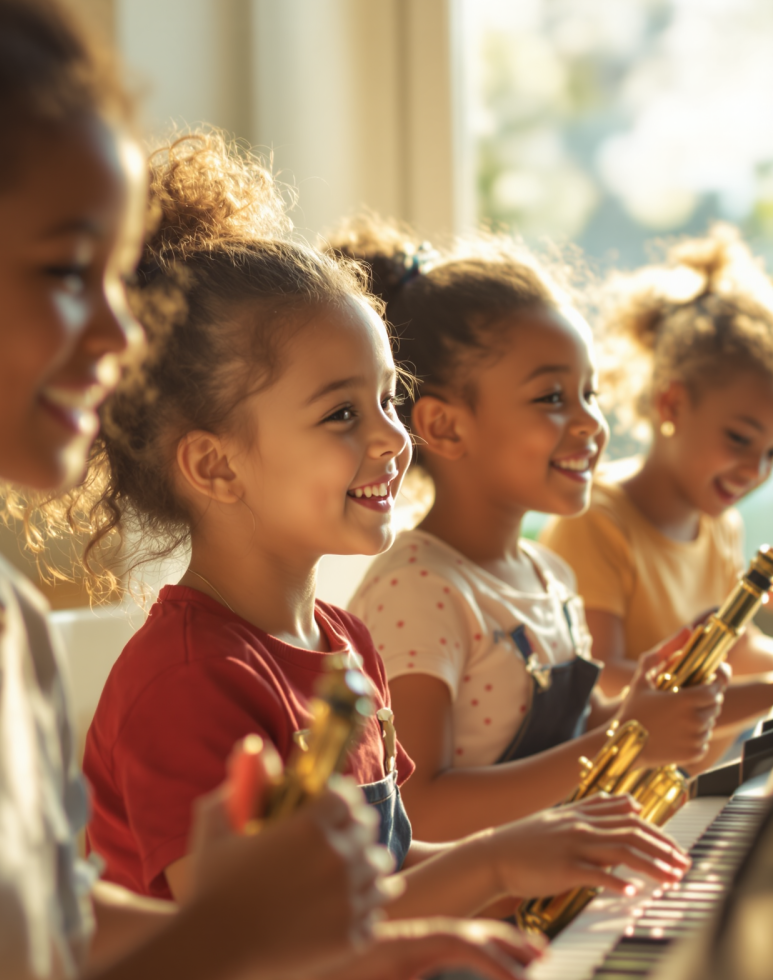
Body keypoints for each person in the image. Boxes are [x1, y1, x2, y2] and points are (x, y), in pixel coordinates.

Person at [0, 4, 541, 980]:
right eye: (66, 272)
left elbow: (53, 924)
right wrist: (236, 933)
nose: (122, 337)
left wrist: (377, 946)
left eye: (119, 282)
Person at [79, 134, 692, 927]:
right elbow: (266, 939)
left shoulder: (346, 641)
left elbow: (389, 867)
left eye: (386, 398)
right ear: (215, 466)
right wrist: (498, 863)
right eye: (342, 413)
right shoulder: (188, 683)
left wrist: (544, 855)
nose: (393, 437)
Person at [329, 217, 726, 844]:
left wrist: (646, 705)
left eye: (590, 393)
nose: (591, 423)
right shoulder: (419, 590)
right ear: (446, 427)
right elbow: (418, 810)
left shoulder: (550, 574)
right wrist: (626, 735)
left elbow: (575, 734)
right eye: (552, 398)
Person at [541, 225, 773, 764]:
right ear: (672, 405)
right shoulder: (597, 520)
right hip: (616, 790)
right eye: (739, 439)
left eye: (772, 454)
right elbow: (601, 682)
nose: (755, 469)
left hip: (692, 789)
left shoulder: (721, 527)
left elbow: (737, 651)